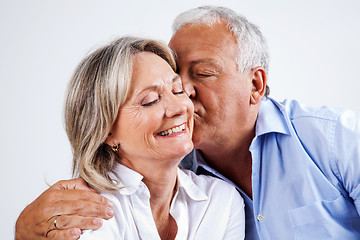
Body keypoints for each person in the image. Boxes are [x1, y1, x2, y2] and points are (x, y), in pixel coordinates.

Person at [15, 6, 360, 240]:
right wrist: (24, 230)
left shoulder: (336, 140)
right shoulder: (164, 161)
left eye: (203, 74)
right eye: (177, 80)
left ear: (255, 85)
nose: (182, 99)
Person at [18, 36, 246, 240]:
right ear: (106, 131)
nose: (179, 107)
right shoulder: (87, 215)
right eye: (150, 100)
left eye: (178, 91)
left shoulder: (221, 200)